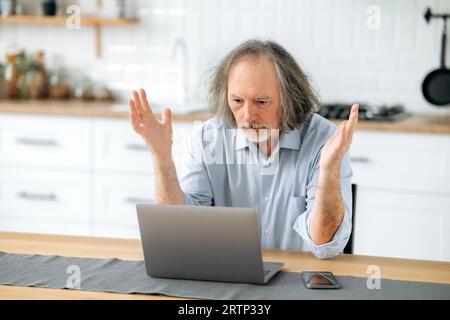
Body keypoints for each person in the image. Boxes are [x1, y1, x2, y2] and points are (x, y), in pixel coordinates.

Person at [128, 40, 359, 259]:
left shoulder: (324, 141)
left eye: (261, 102)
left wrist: (328, 171)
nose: (248, 116)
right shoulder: (206, 139)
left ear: (288, 98)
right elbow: (178, 231)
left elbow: (325, 244)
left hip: (298, 283)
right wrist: (162, 158)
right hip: (225, 279)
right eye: (237, 101)